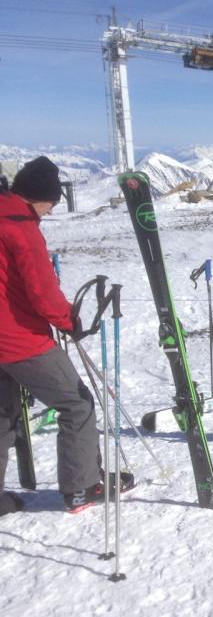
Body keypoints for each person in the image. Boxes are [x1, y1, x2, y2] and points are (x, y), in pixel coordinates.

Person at [0, 156, 133, 516]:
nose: (51, 210)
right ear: (37, 197)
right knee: (77, 404)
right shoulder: (21, 229)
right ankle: (81, 488)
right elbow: (41, 292)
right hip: (19, 339)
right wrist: (69, 320)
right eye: (52, 202)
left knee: (2, 414)